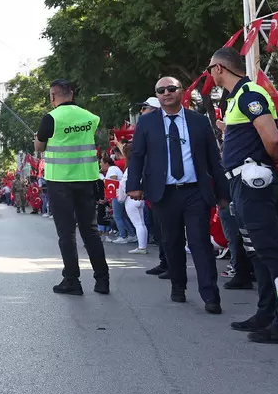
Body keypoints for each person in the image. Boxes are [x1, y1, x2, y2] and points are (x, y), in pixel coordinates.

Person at [206, 47, 278, 343]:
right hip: (241, 184)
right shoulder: (236, 98)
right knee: (257, 251)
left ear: (218, 68)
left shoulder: (248, 94)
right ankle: (267, 312)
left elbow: (273, 138)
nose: (209, 76)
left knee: (270, 251)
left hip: (254, 184)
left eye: (209, 70)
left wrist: (276, 161)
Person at [127, 76, 228, 314]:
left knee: (200, 243)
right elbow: (138, 155)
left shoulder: (198, 121)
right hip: (163, 194)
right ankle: (178, 285)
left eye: (171, 89)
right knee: (171, 242)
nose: (166, 93)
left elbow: (214, 158)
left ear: (181, 92)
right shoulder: (147, 122)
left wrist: (223, 193)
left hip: (195, 192)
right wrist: (134, 185)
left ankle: (211, 296)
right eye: (160, 90)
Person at [34, 78, 109, 295]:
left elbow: (40, 146)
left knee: (66, 233)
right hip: (87, 179)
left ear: (52, 96)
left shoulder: (50, 118)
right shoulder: (90, 117)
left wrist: (37, 138)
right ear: (72, 94)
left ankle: (72, 280)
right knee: (91, 231)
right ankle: (102, 280)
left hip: (60, 183)